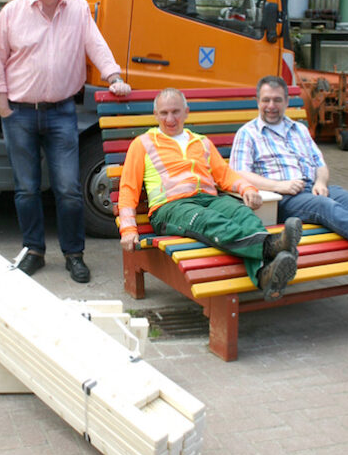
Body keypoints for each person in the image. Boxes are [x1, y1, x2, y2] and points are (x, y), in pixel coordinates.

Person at [0, 0, 131, 283]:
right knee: (26, 189)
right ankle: (33, 250)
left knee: (68, 189)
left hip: (62, 112)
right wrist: (4, 109)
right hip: (19, 114)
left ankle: (74, 255)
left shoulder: (77, 9)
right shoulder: (12, 13)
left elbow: (96, 44)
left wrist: (114, 77)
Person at [118, 88, 303, 302]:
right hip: (171, 208)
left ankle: (263, 276)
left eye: (176, 112)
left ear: (186, 112)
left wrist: (247, 189)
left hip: (209, 199)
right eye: (164, 113)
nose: (170, 119)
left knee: (244, 215)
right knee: (212, 221)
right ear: (156, 115)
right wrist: (129, 229)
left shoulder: (201, 141)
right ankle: (271, 247)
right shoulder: (143, 143)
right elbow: (128, 188)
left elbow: (224, 175)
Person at [229, 75, 348, 282]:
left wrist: (320, 182)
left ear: (286, 101)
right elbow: (239, 172)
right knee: (324, 206)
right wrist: (279, 185)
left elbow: (319, 164)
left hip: (312, 187)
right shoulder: (247, 133)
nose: (271, 105)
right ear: (258, 101)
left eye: (277, 100)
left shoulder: (299, 129)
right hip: (281, 199)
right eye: (266, 100)